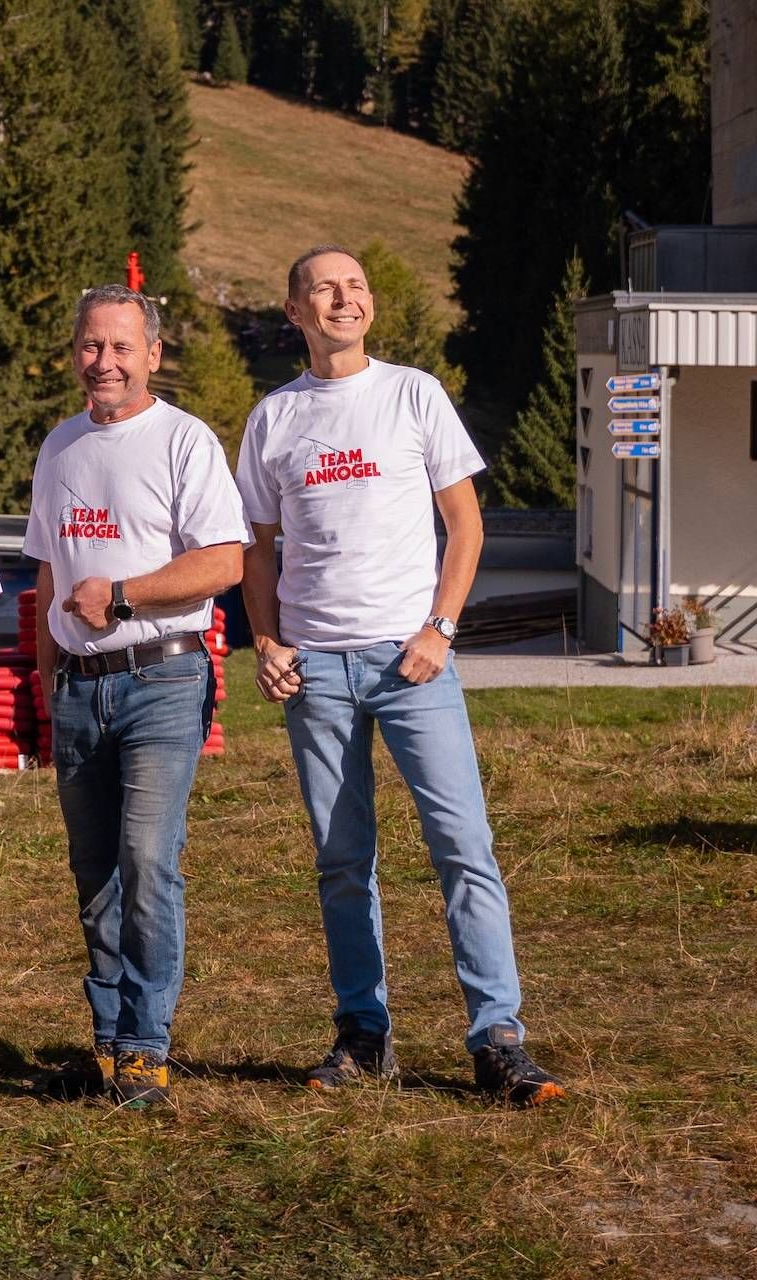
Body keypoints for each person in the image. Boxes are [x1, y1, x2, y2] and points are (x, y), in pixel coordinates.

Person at [235, 244, 566, 1107]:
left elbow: (466, 526)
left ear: (369, 306)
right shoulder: (274, 418)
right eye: (324, 290)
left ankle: (498, 1039)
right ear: (297, 310)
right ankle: (363, 1035)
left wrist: (440, 629)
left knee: (464, 847)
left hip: (411, 663)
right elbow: (255, 552)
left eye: (356, 288)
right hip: (316, 672)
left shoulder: (413, 393)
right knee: (343, 860)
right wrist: (267, 643)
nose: (344, 301)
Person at [24, 285, 248, 1108]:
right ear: (75, 352)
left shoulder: (186, 441)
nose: (105, 361)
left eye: (122, 347)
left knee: (147, 859)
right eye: (91, 345)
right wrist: (45, 676)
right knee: (94, 873)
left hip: (164, 675)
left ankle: (148, 1045)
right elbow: (48, 572)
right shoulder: (58, 447)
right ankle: (111, 1041)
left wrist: (120, 594)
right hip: (79, 688)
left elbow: (224, 562)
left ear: (152, 354)